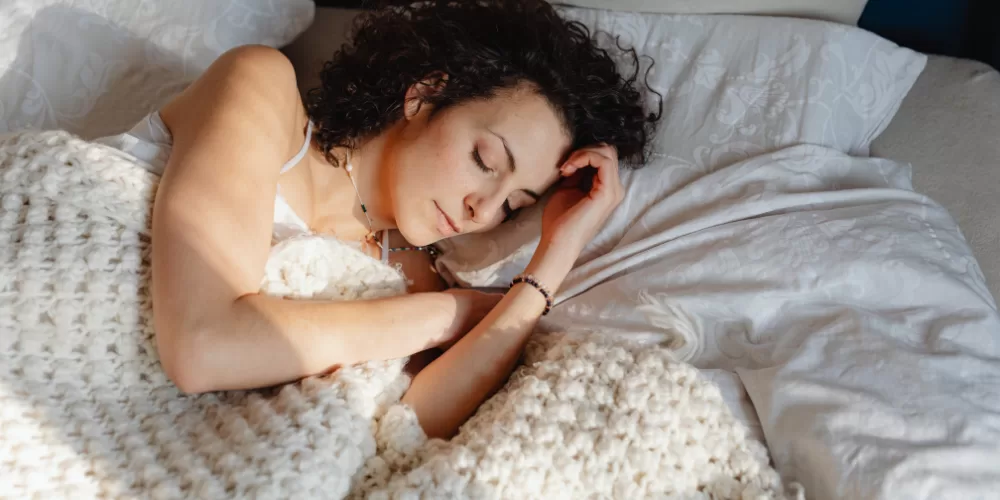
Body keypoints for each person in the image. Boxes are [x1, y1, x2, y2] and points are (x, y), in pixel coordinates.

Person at [105, 0, 658, 438]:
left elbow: (415, 426)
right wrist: (453, 312)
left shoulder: (412, 272)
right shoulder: (261, 87)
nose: (483, 211)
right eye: (484, 161)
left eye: (513, 205)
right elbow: (202, 348)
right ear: (424, 95)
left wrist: (555, 255)